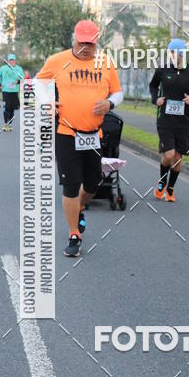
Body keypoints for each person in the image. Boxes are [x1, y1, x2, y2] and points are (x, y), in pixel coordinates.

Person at [35, 19, 123, 258]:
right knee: (71, 185)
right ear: (74, 40)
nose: (86, 48)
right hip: (66, 132)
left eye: (90, 44)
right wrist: (47, 102)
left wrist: (110, 103)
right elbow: (38, 84)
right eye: (82, 43)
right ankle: (74, 234)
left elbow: (118, 92)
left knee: (93, 184)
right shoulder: (57, 60)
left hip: (94, 135)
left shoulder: (105, 63)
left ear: (97, 43)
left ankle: (80, 207)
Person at [149, 38, 189, 202]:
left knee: (177, 158)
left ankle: (170, 189)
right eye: (170, 52)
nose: (172, 55)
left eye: (175, 52)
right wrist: (155, 99)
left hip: (183, 123)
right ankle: (162, 182)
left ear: (182, 53)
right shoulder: (162, 70)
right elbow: (153, 86)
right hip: (165, 120)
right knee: (168, 155)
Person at [0, 53, 24, 131]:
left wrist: (18, 82)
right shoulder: (3, 68)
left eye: (13, 60)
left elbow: (23, 79)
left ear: (15, 60)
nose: (12, 62)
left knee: (12, 109)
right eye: (10, 60)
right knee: (6, 107)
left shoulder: (19, 69)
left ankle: (10, 124)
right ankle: (6, 124)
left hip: (14, 91)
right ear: (8, 61)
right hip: (5, 91)